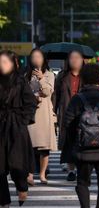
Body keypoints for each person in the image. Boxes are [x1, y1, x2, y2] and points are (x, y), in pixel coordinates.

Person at [63, 63, 99, 208]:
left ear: (83, 78)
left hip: (83, 151)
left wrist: (76, 142)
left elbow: (67, 123)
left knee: (82, 183)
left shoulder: (77, 99)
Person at [0, 50, 37, 207]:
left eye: (5, 62)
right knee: (0, 168)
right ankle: (4, 201)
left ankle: (22, 185)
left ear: (14, 64)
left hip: (16, 126)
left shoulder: (20, 82)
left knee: (17, 165)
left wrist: (22, 120)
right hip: (0, 126)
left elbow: (31, 103)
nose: (2, 65)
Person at [24, 48, 57, 185]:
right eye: (34, 57)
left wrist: (41, 78)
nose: (36, 59)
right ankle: (29, 174)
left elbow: (48, 92)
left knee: (44, 148)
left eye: (39, 57)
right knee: (29, 147)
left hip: (44, 114)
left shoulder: (49, 75)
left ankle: (42, 174)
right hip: (30, 113)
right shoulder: (25, 75)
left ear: (43, 59)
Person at [55, 50, 84, 181]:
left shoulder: (86, 76)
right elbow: (55, 96)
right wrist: (54, 112)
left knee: (82, 141)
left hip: (83, 114)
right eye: (72, 58)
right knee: (68, 142)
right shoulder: (62, 76)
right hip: (67, 113)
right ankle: (71, 170)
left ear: (83, 60)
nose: (74, 60)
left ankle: (81, 168)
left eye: (77, 58)